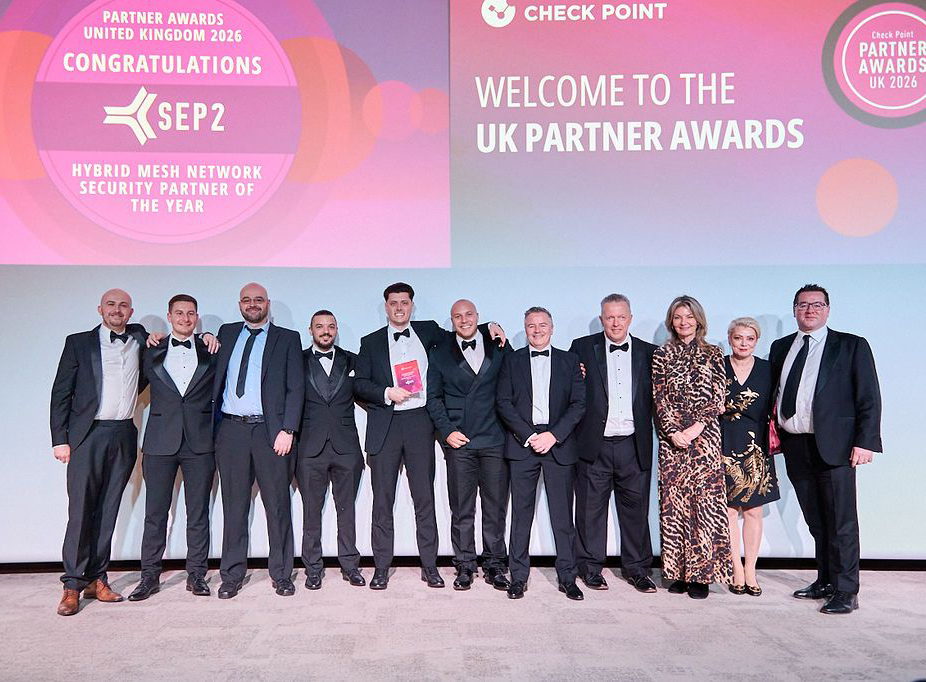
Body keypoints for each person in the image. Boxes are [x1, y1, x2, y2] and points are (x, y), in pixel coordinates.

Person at [354, 283, 504, 590]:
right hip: (385, 426)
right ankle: (381, 568)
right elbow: (359, 384)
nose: (399, 308)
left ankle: (430, 566)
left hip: (420, 424)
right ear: (386, 307)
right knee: (382, 502)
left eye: (404, 302)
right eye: (393, 303)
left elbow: (463, 332)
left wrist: (490, 325)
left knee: (424, 500)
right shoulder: (370, 342)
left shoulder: (429, 331)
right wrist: (386, 392)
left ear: (412, 306)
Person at [770, 284, 881, 615]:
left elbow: (869, 397)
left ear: (828, 310)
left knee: (841, 522)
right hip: (796, 444)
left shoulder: (851, 345)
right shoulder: (781, 347)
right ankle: (826, 580)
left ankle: (847, 590)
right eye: (803, 305)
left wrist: (865, 441)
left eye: (817, 305)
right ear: (794, 310)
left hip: (837, 447)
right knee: (816, 521)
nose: (810, 310)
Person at [50, 289, 149, 616]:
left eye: (123, 306)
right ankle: (72, 585)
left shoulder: (139, 340)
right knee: (81, 511)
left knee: (108, 510)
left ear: (130, 312)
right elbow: (61, 393)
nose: (116, 310)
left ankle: (97, 578)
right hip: (87, 435)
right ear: (100, 309)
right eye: (111, 305)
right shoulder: (78, 342)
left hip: (123, 434)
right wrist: (60, 439)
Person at [213, 282, 304, 599]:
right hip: (231, 432)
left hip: (271, 432)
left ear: (268, 304)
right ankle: (231, 575)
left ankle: (282, 574)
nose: (253, 304)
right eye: (247, 300)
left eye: (258, 300)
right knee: (234, 507)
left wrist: (288, 429)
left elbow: (296, 387)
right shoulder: (226, 333)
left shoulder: (287, 338)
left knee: (278, 506)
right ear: (240, 304)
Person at [128, 294, 218, 602]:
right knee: (155, 513)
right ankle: (149, 577)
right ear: (169, 316)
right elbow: (130, 333)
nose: (185, 318)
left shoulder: (211, 349)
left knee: (198, 513)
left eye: (190, 313)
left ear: (196, 317)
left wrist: (210, 336)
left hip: (200, 443)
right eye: (179, 313)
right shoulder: (151, 349)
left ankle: (197, 575)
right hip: (159, 442)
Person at [496, 307, 586, 600]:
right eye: (531, 325)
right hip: (523, 444)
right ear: (525, 329)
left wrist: (553, 435)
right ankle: (518, 577)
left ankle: (568, 577)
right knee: (520, 516)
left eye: (542, 324)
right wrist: (529, 435)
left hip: (558, 444)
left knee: (563, 516)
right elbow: (503, 402)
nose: (537, 330)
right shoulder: (511, 361)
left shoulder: (570, 361)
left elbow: (578, 404)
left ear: (552, 327)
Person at [570, 294, 658, 593]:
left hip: (634, 444)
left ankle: (638, 569)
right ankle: (590, 568)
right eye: (610, 317)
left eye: (621, 317)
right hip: (594, 444)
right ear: (601, 319)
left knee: (636, 511)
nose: (616, 323)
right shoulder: (581, 348)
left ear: (630, 318)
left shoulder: (650, 352)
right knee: (589, 511)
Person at [426, 299, 512, 591]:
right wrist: (447, 431)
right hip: (460, 441)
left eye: (469, 315)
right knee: (462, 508)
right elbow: (433, 398)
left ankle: (495, 564)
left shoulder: (499, 345)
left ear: (478, 316)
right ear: (451, 321)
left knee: (495, 507)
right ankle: (464, 565)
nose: (464, 320)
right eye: (457, 316)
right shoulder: (439, 352)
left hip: (494, 439)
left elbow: (519, 378)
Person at [652, 295, 733, 599]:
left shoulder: (714, 352)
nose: (683, 322)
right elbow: (659, 397)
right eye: (677, 317)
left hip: (705, 439)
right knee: (674, 506)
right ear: (671, 321)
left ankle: (701, 576)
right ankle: (677, 573)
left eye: (688, 316)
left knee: (704, 506)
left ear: (698, 320)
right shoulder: (662, 354)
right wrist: (673, 432)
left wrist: (696, 427)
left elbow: (718, 395)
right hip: (672, 441)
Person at [296, 310, 365, 590]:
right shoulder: (296, 360)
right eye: (320, 326)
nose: (326, 331)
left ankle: (350, 566)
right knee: (311, 513)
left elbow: (371, 388)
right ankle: (313, 568)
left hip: (346, 447)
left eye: (331, 326)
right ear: (310, 330)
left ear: (336, 330)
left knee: (346, 511)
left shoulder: (353, 360)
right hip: (309, 448)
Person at [721, 317, 779, 597]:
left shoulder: (768, 369)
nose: (743, 343)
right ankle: (736, 570)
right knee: (729, 511)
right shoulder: (718, 366)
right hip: (723, 443)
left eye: (749, 338)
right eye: (738, 338)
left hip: (756, 446)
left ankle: (751, 571)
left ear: (757, 341)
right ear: (730, 339)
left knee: (754, 511)